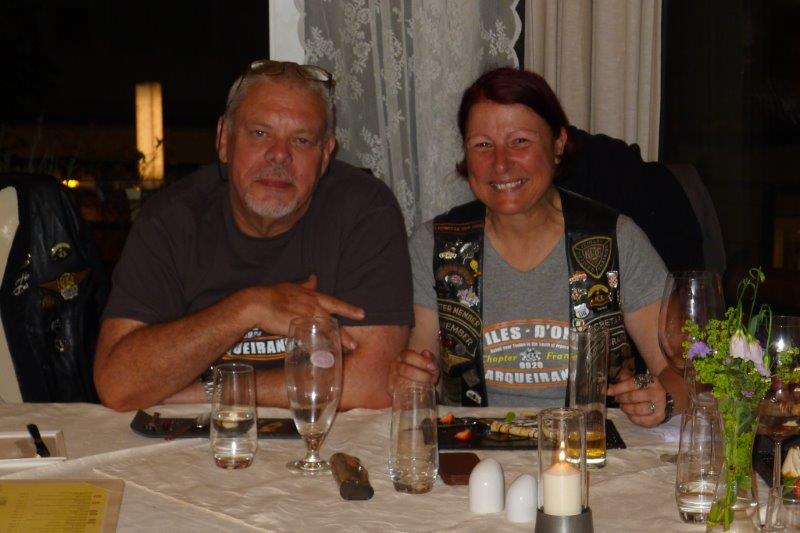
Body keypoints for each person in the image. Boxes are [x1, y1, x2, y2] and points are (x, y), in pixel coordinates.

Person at [95, 60, 412, 412]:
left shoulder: (364, 210)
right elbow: (118, 386)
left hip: (322, 440)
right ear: (223, 140)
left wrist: (208, 393)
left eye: (302, 140)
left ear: (325, 156)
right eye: (260, 133)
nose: (279, 155)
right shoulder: (171, 219)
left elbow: (373, 383)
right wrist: (248, 308)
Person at [389, 67, 687, 428]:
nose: (500, 163)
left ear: (558, 144)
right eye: (482, 145)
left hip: (590, 451)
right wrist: (412, 379)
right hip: (473, 451)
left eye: (520, 142)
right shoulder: (435, 246)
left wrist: (661, 396)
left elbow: (686, 371)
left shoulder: (616, 241)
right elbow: (425, 382)